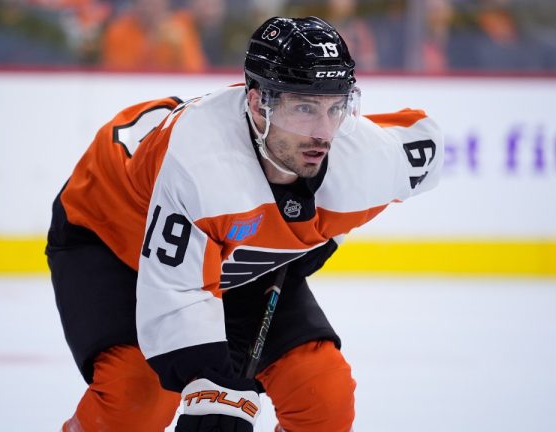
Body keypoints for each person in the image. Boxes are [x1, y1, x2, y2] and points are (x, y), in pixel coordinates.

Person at [47, 16, 444, 432]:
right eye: (304, 107)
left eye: (336, 106)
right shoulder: (201, 163)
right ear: (258, 103)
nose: (323, 134)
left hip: (230, 255)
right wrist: (217, 389)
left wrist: (321, 238)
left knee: (323, 399)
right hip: (111, 235)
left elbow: (428, 146)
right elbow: (177, 291)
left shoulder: (361, 156)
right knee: (139, 400)